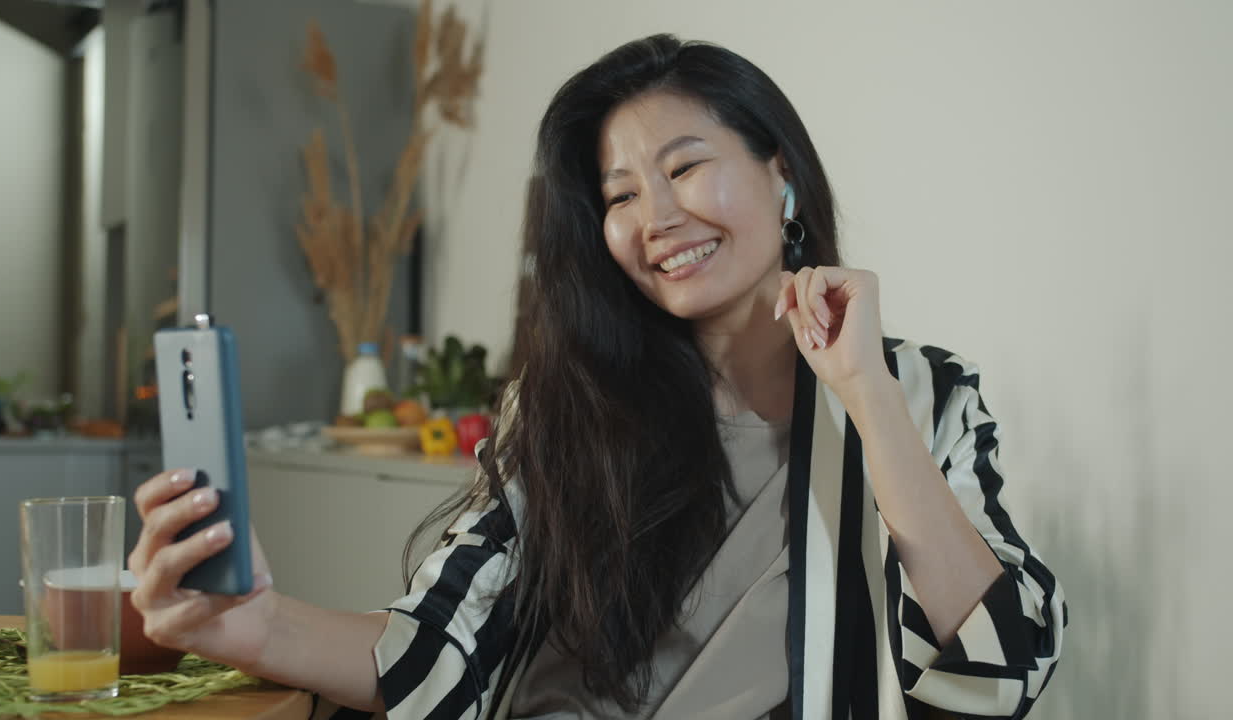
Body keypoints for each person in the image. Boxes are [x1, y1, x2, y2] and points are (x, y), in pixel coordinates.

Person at [129, 34, 1066, 720]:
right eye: (619, 196)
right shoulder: (569, 404)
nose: (655, 216)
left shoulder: (923, 398)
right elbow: (443, 646)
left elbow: (1001, 663)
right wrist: (249, 624)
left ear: (779, 174)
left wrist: (866, 396)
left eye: (686, 167)